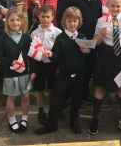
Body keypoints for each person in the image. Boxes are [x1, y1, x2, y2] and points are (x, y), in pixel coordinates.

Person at [35, 7, 89, 135]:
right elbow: (57, 56)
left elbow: (87, 52)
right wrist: (51, 54)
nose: (72, 24)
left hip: (79, 74)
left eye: (75, 21)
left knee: (76, 99)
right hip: (64, 74)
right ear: (65, 22)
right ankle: (52, 124)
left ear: (79, 22)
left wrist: (87, 51)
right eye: (69, 21)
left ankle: (74, 120)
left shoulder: (82, 36)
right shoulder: (60, 38)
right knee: (55, 98)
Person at [88, 0, 121, 134]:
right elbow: (96, 43)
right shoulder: (101, 20)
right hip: (105, 54)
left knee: (120, 87)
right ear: (107, 6)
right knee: (101, 87)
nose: (115, 9)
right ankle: (95, 118)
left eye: (118, 6)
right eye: (112, 6)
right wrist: (101, 34)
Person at [56, 0, 102, 103]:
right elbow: (60, 17)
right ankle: (66, 97)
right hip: (76, 38)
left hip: (93, 37)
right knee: (74, 68)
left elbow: (97, 11)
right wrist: (69, 38)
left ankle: (83, 92)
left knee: (89, 66)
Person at [0, 7, 36, 134]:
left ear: (22, 21)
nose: (15, 23)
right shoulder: (4, 38)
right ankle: (12, 119)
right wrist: (10, 62)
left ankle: (25, 118)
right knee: (12, 97)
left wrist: (33, 70)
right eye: (12, 20)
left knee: (25, 95)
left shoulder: (26, 36)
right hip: (10, 73)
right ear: (7, 22)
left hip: (24, 72)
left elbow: (31, 55)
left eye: (17, 20)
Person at [30, 5, 62, 125]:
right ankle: (41, 110)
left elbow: (60, 52)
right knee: (39, 89)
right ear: (39, 17)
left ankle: (53, 108)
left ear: (52, 17)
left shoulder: (58, 32)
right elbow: (32, 53)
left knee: (52, 88)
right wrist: (33, 69)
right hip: (39, 65)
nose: (45, 19)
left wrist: (59, 66)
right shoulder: (34, 33)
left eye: (48, 17)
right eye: (43, 17)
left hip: (52, 65)